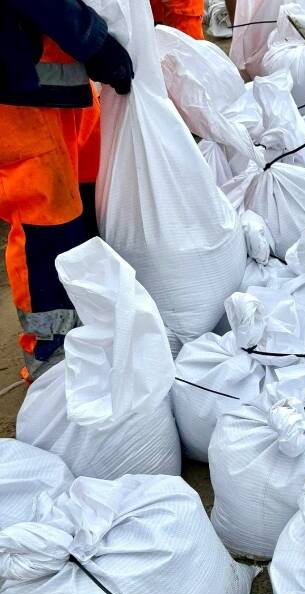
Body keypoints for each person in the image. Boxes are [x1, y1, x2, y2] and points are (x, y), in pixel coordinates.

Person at [0, 3, 133, 381]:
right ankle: (50, 355)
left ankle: (88, 323)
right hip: (18, 90)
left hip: (48, 85)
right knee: (47, 224)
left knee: (81, 209)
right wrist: (94, 42)